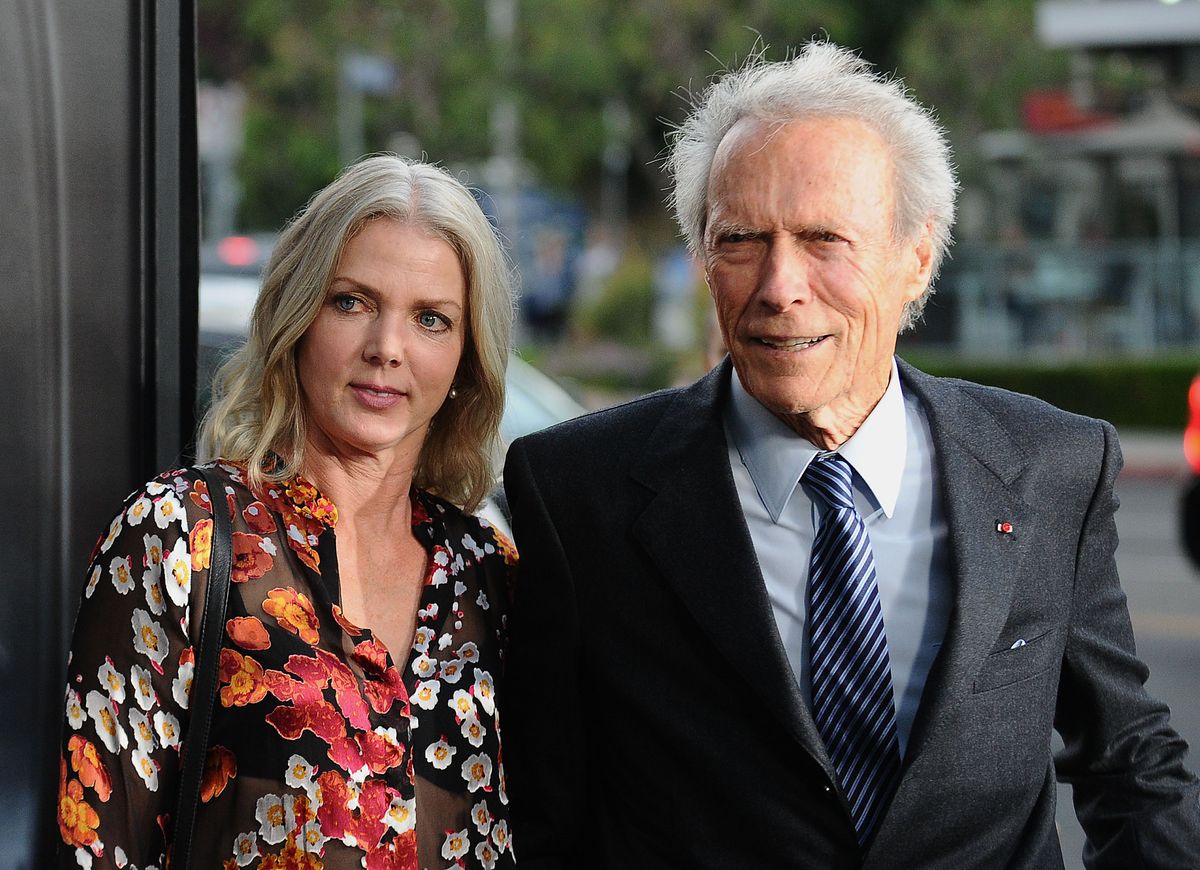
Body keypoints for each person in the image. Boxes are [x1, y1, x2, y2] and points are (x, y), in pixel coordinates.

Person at [502, 42, 1200, 868]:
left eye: (824, 238)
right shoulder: (576, 491)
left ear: (917, 258)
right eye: (740, 240)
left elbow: (1129, 765)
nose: (779, 285)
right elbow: (548, 813)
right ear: (703, 262)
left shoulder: (1052, 466)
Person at [57, 156, 517, 869]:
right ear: (297, 316)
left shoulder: (492, 578)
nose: (386, 349)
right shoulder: (182, 538)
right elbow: (96, 843)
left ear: (466, 358)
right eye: (352, 301)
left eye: (431, 319)